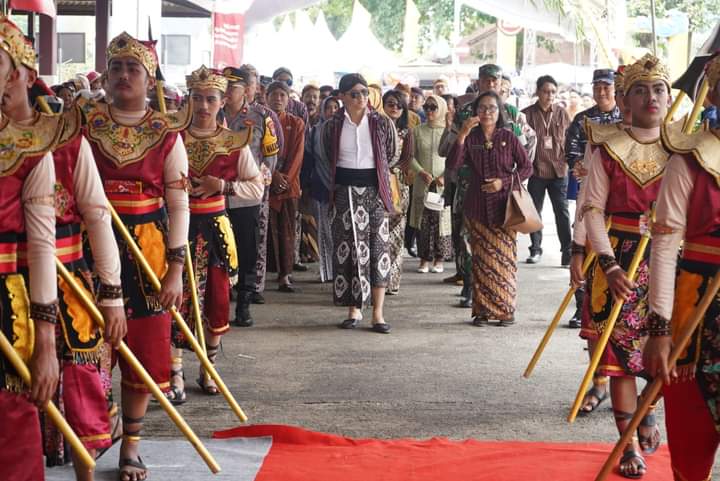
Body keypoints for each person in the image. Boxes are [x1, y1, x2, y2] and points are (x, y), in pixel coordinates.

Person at [3, 28, 127, 480]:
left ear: (24, 75)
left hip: (67, 276)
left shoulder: (65, 137)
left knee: (82, 394)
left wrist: (111, 296)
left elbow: (97, 216)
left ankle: (94, 468)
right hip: (11, 284)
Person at [78, 31, 190, 481]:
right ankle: (91, 429)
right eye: (117, 68)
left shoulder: (166, 133)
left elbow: (178, 202)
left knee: (142, 349)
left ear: (149, 78)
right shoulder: (82, 123)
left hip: (148, 248)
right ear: (106, 74)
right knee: (87, 344)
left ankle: (132, 447)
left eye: (134, 69)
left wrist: (177, 269)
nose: (124, 76)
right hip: (89, 245)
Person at [580, 54, 672, 478]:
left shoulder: (684, 150)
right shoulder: (607, 147)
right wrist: (609, 264)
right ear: (625, 100)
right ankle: (627, 444)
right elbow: (593, 210)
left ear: (669, 98)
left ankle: (647, 411)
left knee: (662, 348)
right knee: (617, 356)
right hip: (617, 258)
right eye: (640, 90)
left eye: (658, 89)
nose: (651, 97)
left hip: (669, 260)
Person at [643, 53, 720, 481]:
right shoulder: (687, 159)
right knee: (692, 437)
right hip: (696, 308)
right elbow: (665, 244)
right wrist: (659, 328)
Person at [171, 66, 263, 400]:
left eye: (211, 99)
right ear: (189, 100)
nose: (204, 106)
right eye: (198, 98)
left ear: (223, 101)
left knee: (217, 299)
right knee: (176, 299)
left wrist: (222, 186)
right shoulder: (173, 137)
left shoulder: (233, 143)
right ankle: (175, 372)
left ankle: (208, 367)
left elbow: (257, 188)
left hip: (215, 229)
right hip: (177, 229)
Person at [0, 16, 60, 481]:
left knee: (10, 426)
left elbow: (42, 245)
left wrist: (45, 343)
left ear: (15, 76)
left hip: (8, 305)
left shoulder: (31, 148)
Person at [569, 66, 630, 416]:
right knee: (597, 319)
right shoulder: (599, 140)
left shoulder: (670, 145)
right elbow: (586, 202)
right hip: (601, 242)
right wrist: (578, 248)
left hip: (649, 247)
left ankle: (645, 402)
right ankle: (599, 384)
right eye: (625, 92)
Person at [446, 91, 532, 326]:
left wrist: (502, 183)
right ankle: (482, 311)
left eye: (492, 108)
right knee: (481, 263)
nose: (486, 112)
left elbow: (526, 168)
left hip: (504, 209)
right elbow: (453, 164)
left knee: (504, 262)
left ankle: (506, 310)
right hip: (476, 207)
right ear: (475, 112)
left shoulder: (509, 136)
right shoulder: (471, 137)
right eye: (482, 108)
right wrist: (462, 134)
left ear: (499, 112)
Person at [320, 73, 395, 334]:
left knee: (377, 249)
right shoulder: (332, 125)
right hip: (344, 192)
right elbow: (328, 155)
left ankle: (378, 313)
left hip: (374, 192)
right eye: (354, 93)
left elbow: (392, 154)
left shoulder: (381, 123)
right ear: (341, 97)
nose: (361, 97)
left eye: (364, 92)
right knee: (348, 249)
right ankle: (354, 309)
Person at [221, 66, 279, 325]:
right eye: (224, 86)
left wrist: (261, 187)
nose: (226, 92)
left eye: (231, 87)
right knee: (217, 250)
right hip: (215, 194)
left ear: (245, 90)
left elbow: (271, 155)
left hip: (247, 195)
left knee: (247, 249)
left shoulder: (260, 117)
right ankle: (219, 301)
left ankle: (244, 303)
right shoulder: (212, 113)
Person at [565, 68, 622, 329]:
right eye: (597, 87)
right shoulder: (583, 119)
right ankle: (581, 307)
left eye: (606, 87)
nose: (601, 92)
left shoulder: (625, 117)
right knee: (584, 247)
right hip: (589, 189)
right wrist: (579, 166)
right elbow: (572, 150)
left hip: (620, 198)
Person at [522, 75, 572, 265]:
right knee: (535, 211)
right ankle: (535, 249)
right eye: (545, 91)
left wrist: (568, 163)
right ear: (538, 92)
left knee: (562, 212)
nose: (549, 95)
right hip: (536, 171)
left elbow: (569, 140)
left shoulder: (561, 113)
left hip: (559, 171)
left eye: (553, 91)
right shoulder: (526, 114)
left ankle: (567, 252)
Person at [266, 81, 305, 292]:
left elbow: (297, 156)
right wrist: (271, 176)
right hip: (265, 183)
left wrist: (284, 180)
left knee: (287, 231)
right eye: (274, 94)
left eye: (282, 95)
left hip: (289, 186)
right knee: (265, 233)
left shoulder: (296, 123)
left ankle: (285, 275)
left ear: (288, 99)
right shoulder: (259, 121)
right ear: (266, 97)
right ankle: (261, 274)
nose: (278, 98)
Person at [410, 95, 452, 274]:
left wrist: (444, 176)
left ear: (441, 109)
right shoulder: (417, 131)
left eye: (433, 107)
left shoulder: (449, 132)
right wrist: (421, 172)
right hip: (423, 182)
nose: (429, 111)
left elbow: (454, 157)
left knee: (441, 222)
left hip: (442, 183)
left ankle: (439, 259)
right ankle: (423, 259)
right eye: (426, 107)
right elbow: (410, 156)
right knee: (423, 222)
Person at [382, 90, 414, 295]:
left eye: (399, 105)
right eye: (391, 104)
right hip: (376, 184)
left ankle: (392, 280)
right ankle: (377, 279)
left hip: (397, 186)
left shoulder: (406, 132)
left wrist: (390, 169)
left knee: (395, 234)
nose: (394, 108)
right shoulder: (376, 127)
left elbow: (407, 159)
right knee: (378, 234)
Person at [309, 96, 341, 283]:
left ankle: (341, 269)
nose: (332, 111)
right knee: (323, 229)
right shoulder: (314, 132)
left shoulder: (345, 130)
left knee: (340, 230)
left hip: (342, 186)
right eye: (328, 107)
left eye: (336, 107)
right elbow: (310, 158)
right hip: (320, 185)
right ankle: (328, 271)